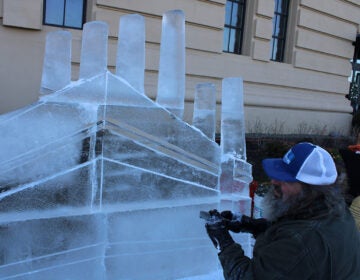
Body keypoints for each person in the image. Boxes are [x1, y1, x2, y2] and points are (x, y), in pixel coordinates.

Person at [203, 142, 360, 279]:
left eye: (285, 179)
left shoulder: (303, 241)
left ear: (309, 189)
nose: (274, 181)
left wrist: (223, 243)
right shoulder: (331, 207)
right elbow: (294, 228)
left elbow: (247, 276)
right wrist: (250, 224)